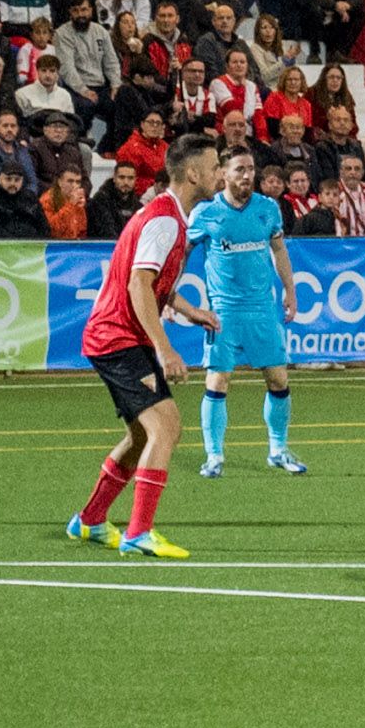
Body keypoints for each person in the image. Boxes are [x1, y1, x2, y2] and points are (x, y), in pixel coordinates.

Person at [65, 135, 223, 558]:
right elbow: (138, 284)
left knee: (141, 435)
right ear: (192, 174)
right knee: (166, 427)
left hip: (117, 336)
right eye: (214, 166)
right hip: (118, 338)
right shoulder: (165, 220)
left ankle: (90, 520)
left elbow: (156, 284)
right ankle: (138, 533)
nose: (219, 173)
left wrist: (191, 311)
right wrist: (165, 348)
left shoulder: (170, 216)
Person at [189, 149, 304, 478]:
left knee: (278, 379)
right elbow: (182, 252)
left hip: (263, 310)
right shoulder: (207, 213)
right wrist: (169, 294)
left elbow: (279, 249)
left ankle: (278, 449)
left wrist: (290, 292)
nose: (247, 175)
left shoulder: (268, 209)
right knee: (218, 380)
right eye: (239, 169)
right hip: (224, 311)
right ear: (223, 174)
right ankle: (214, 455)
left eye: (251, 169)